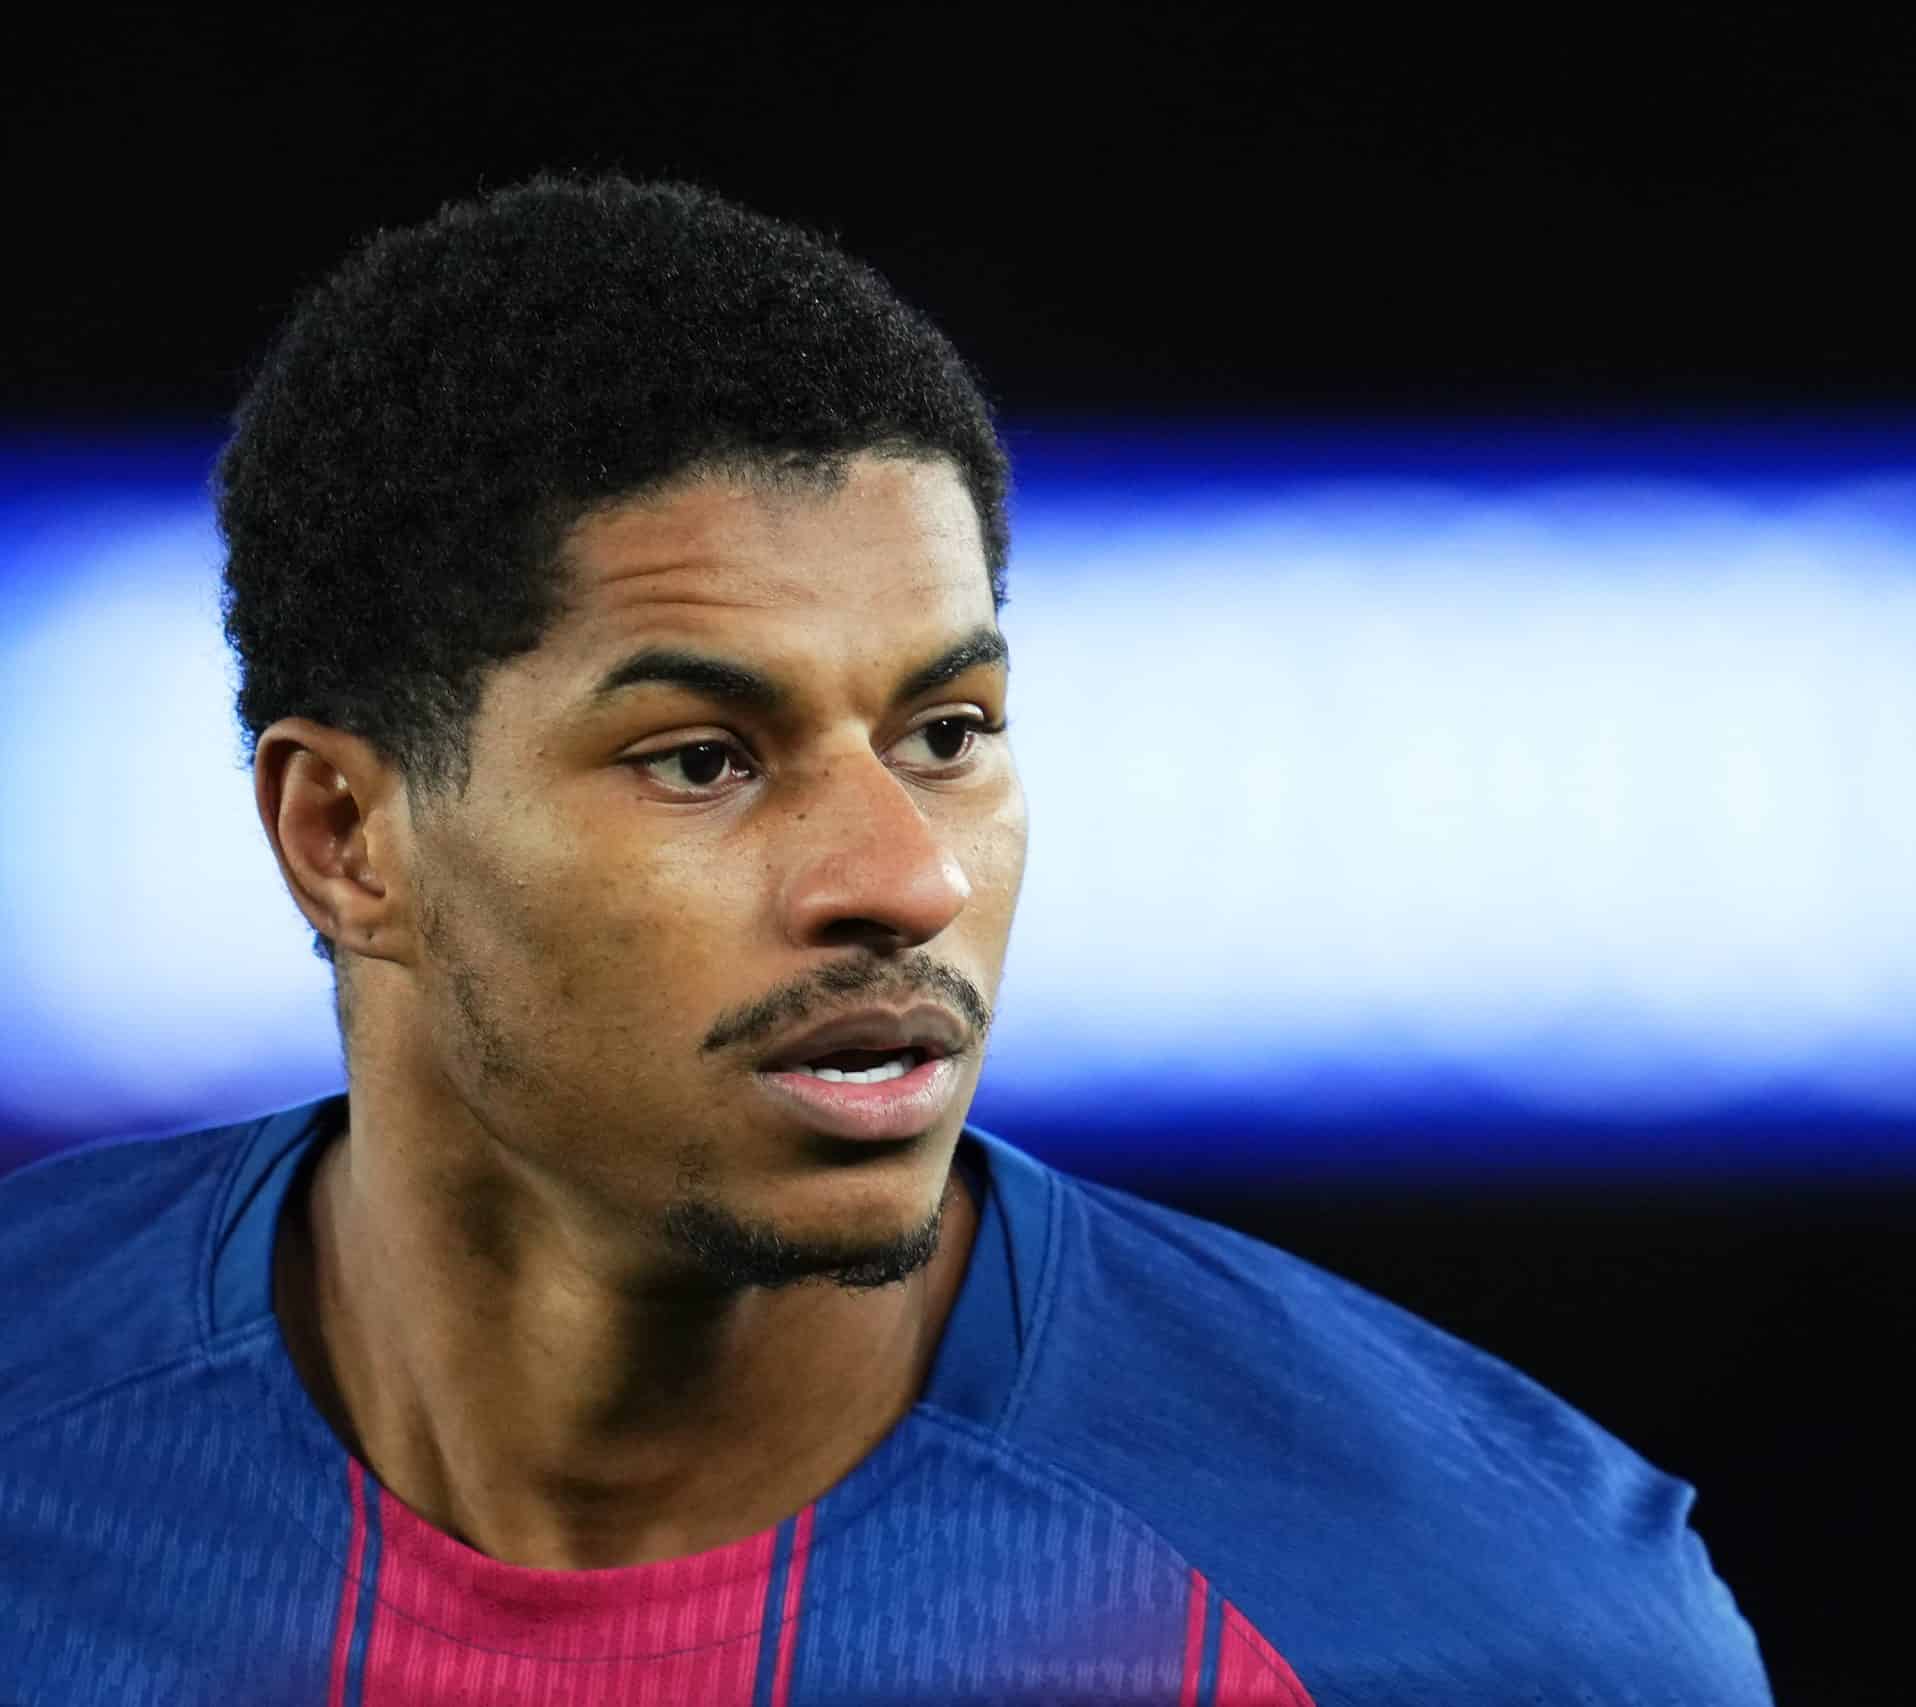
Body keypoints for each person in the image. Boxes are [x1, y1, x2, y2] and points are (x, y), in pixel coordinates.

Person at [0, 175, 1770, 1705]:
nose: (905, 879)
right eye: (702, 759)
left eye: (947, 733)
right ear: (343, 837)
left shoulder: (1484, 1621)